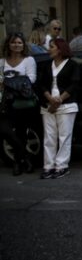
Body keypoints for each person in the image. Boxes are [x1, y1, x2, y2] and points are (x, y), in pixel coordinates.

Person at [36, 38, 80, 179]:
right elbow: (40, 84)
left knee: (64, 137)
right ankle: (48, 166)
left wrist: (59, 100)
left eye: (52, 47)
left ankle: (61, 166)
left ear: (60, 49)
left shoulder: (73, 65)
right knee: (49, 137)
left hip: (66, 105)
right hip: (48, 105)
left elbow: (74, 85)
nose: (49, 50)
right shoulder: (46, 65)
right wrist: (49, 98)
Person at [0, 32, 37, 175]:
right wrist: (18, 80)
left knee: (21, 133)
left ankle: (17, 163)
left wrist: (8, 82)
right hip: (5, 103)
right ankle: (26, 158)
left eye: (19, 42)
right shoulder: (2, 62)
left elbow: (31, 80)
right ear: (8, 44)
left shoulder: (29, 60)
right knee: (6, 131)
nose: (16, 45)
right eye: (13, 42)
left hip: (22, 102)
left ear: (23, 45)